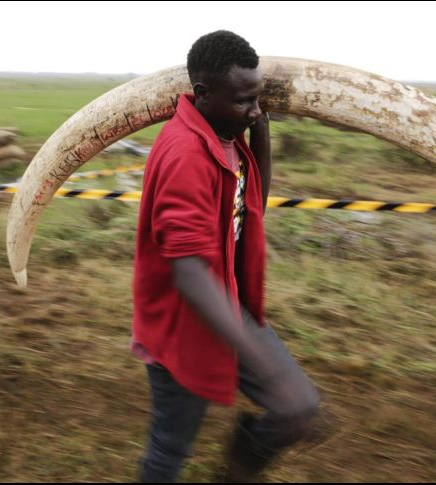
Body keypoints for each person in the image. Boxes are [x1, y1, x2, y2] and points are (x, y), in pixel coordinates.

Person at [132, 30, 321, 483]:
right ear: (203, 93)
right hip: (184, 324)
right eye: (244, 100)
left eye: (257, 99)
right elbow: (190, 273)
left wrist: (259, 129)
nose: (254, 108)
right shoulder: (185, 153)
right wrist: (257, 356)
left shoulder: (223, 133)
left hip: (225, 304)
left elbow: (249, 204)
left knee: (298, 408)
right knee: (169, 450)